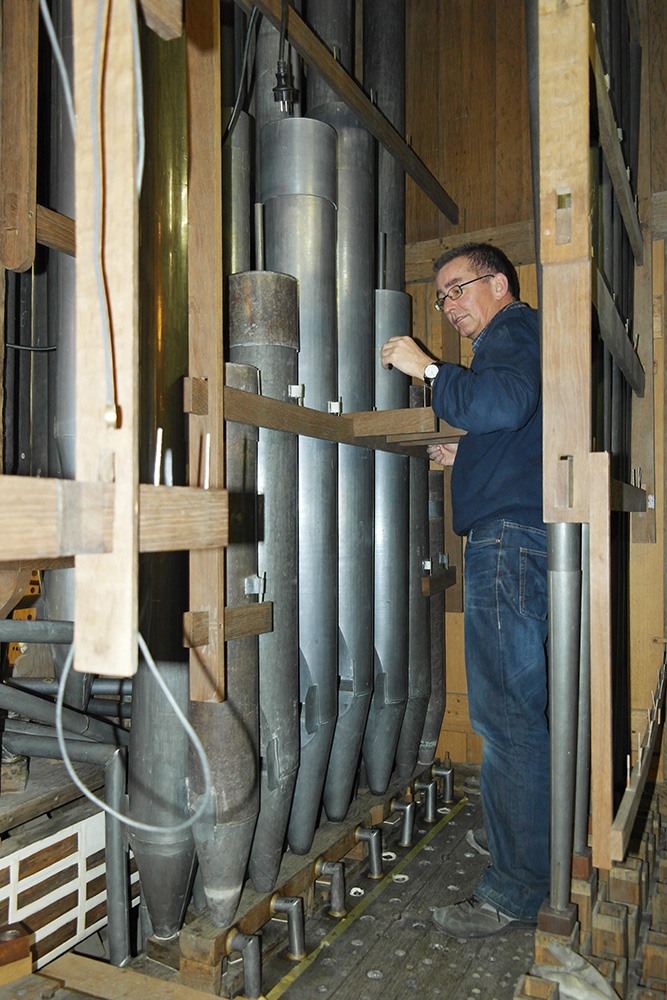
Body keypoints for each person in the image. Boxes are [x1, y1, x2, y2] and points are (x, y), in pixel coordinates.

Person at [381, 243, 549, 938]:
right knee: (522, 717)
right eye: (442, 297)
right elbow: (516, 423)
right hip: (523, 539)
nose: (449, 307)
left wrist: (424, 367)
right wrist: (467, 451)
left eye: (458, 289)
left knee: (505, 723)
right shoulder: (520, 340)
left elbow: (504, 402)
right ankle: (530, 851)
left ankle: (514, 888)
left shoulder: (512, 329)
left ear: (498, 284)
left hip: (507, 544)